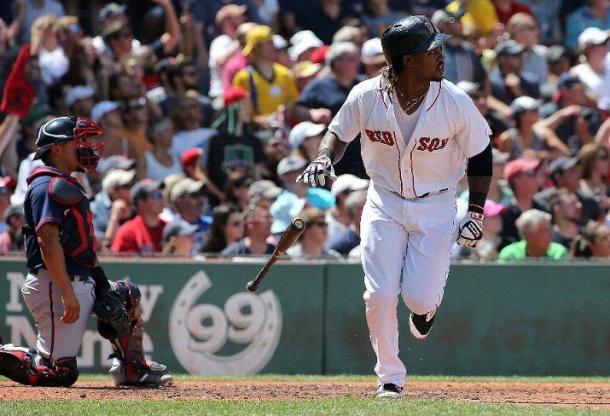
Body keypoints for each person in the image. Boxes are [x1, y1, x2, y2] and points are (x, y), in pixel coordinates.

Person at [297, 16, 492, 398]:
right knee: (380, 294)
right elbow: (338, 132)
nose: (441, 55)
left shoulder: (454, 100)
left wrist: (476, 211)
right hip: (383, 200)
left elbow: (481, 154)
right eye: (431, 49)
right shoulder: (367, 94)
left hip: (436, 205)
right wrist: (323, 158)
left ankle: (425, 310)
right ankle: (390, 377)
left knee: (418, 298)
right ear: (407, 60)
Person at [0, 116, 171, 387]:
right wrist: (67, 292)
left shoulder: (64, 182)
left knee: (124, 295)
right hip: (55, 285)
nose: (88, 146)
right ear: (57, 149)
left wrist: (102, 286)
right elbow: (49, 243)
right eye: (79, 140)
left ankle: (132, 370)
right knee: (58, 373)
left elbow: (82, 250)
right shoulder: (47, 185)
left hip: (76, 280)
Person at [111, 179, 167, 255]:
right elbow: (122, 265)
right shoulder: (127, 232)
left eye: (161, 195)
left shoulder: (170, 228)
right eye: (156, 195)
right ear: (141, 202)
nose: (161, 199)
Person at [498, 209, 567, 261]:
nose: (551, 234)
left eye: (550, 229)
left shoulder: (558, 253)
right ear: (528, 234)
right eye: (545, 230)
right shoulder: (510, 255)